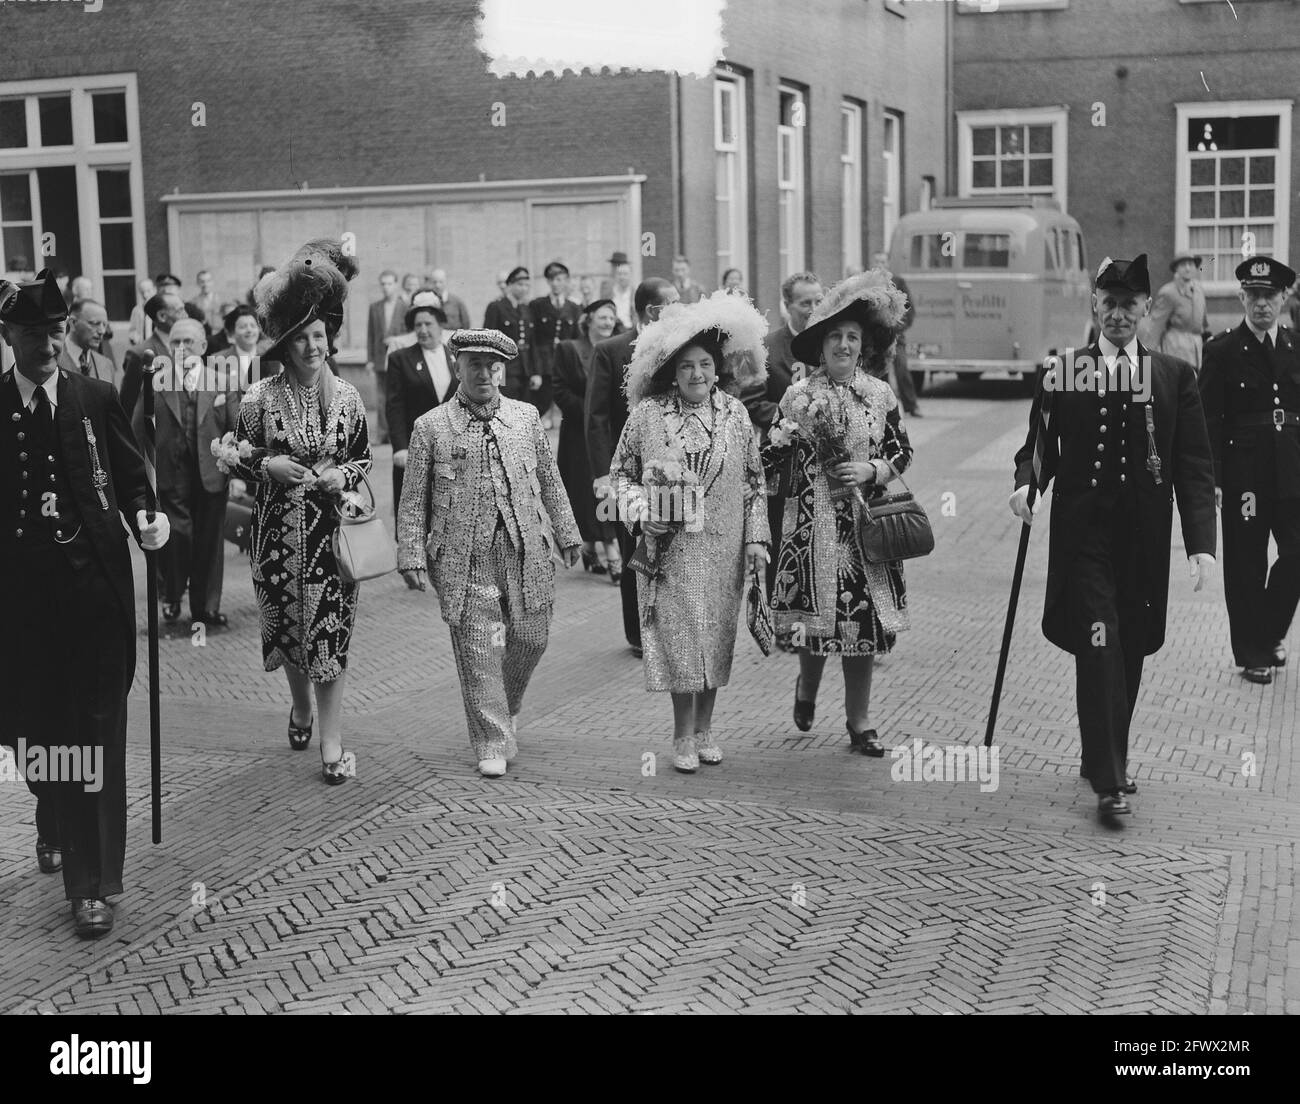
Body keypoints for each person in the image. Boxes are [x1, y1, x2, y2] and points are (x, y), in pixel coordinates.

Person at [1009, 254, 1217, 817]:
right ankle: (1110, 780)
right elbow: (1038, 446)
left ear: (1146, 309)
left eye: (1130, 305)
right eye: (1110, 304)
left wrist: (1201, 543)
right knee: (1098, 642)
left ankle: (1102, 752)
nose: (1119, 315)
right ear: (1095, 306)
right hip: (1084, 538)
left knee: (1129, 646)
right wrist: (1028, 485)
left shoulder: (1174, 376)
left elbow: (1193, 464)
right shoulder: (1063, 372)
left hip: (1143, 539)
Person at [0, 269, 170, 937]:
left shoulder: (94, 396)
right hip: (22, 607)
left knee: (94, 735)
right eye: (32, 333)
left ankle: (91, 885)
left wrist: (147, 516)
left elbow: (133, 479)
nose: (46, 343)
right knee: (37, 736)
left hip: (95, 592)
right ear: (9, 336)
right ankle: (48, 806)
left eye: (53, 330)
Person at [397, 329, 581, 778]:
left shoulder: (526, 417)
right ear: (457, 366)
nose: (483, 373)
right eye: (473, 364)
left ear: (502, 369)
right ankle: (492, 739)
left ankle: (507, 704)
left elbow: (551, 480)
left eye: (491, 365)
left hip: (526, 550)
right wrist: (411, 555)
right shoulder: (431, 426)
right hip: (462, 556)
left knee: (531, 637)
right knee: (479, 648)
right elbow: (413, 497)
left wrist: (568, 532)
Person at [611, 292, 770, 772]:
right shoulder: (647, 415)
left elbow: (755, 483)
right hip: (670, 551)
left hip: (724, 546)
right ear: (672, 373)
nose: (697, 375)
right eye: (686, 367)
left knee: (716, 637)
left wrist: (757, 539)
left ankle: (705, 730)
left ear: (717, 369)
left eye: (704, 365)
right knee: (680, 637)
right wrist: (641, 512)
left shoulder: (736, 415)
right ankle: (681, 735)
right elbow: (618, 476)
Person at [233, 239, 372, 785]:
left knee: (331, 636)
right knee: (289, 634)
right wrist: (268, 468)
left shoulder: (351, 398)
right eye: (303, 339)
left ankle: (332, 742)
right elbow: (237, 460)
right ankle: (300, 707)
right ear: (286, 345)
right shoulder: (258, 400)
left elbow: (362, 459)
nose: (314, 347)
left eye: (321, 337)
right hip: (273, 542)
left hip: (331, 543)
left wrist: (344, 475)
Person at [763, 271, 914, 759]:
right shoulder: (800, 396)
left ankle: (860, 721)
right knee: (816, 623)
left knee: (862, 628)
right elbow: (771, 457)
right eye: (835, 337)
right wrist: (780, 444)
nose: (844, 345)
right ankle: (807, 688)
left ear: (862, 346)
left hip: (866, 528)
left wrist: (873, 468)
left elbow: (902, 450)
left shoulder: (880, 394)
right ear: (821, 346)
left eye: (852, 337)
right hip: (813, 528)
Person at [1198, 256, 1300, 685]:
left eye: (1270, 296)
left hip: (1292, 469)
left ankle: (1269, 632)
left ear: (1284, 298)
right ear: (1241, 297)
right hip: (1244, 476)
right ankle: (1252, 653)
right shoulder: (1221, 350)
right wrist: (1214, 479)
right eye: (1254, 296)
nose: (1262, 305)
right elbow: (1208, 419)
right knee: (1245, 564)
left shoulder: (1297, 345)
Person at [586, 277, 681, 655]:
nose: (682, 307)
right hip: (624, 470)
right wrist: (603, 474)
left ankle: (670, 624)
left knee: (671, 541)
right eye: (674, 303)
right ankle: (638, 634)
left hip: (670, 467)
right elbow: (595, 417)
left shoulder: (678, 345)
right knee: (632, 548)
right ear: (653, 311)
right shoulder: (611, 351)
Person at [146, 318, 240, 628]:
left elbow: (235, 428)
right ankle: (172, 594)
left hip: (212, 473)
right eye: (175, 342)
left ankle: (205, 608)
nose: (181, 348)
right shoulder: (156, 380)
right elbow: (138, 430)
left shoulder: (222, 380)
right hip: (172, 474)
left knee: (210, 542)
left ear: (202, 346)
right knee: (178, 536)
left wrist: (235, 466)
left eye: (188, 342)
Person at [742, 271, 822, 594]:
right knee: (780, 533)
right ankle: (781, 618)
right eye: (805, 302)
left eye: (819, 300)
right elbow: (750, 402)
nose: (813, 308)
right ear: (787, 305)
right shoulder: (766, 348)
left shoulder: (830, 343)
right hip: (782, 462)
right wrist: (790, 419)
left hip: (823, 463)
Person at [553, 298, 621, 577]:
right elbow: (558, 388)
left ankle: (597, 547)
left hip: (607, 433)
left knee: (607, 488)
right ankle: (607, 549)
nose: (607, 323)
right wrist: (590, 410)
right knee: (585, 493)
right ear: (589, 319)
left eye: (611, 318)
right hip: (578, 435)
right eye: (602, 317)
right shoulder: (570, 350)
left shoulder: (616, 349)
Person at [386, 290, 454, 508]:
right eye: (418, 326)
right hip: (415, 448)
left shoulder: (457, 357)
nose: (423, 330)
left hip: (453, 448)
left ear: (440, 325)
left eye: (428, 324)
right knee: (416, 509)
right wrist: (399, 447)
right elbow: (394, 406)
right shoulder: (401, 359)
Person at [119, 287, 187, 422]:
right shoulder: (140, 354)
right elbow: (128, 405)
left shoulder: (190, 347)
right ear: (162, 316)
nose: (186, 315)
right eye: (180, 311)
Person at [529, 261, 581, 420]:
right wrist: (536, 370)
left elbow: (576, 340)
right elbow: (534, 340)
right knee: (541, 403)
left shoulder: (574, 308)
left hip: (565, 363)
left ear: (566, 281)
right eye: (552, 280)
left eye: (559, 279)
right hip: (544, 364)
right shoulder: (537, 305)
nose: (555, 284)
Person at [872, 251, 922, 417]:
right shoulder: (869, 284)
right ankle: (885, 409)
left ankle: (911, 406)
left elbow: (910, 310)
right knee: (880, 372)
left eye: (883, 262)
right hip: (877, 338)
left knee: (902, 369)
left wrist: (898, 327)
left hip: (896, 336)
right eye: (877, 262)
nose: (880, 265)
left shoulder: (898, 282)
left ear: (888, 264)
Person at [1140, 254, 1210, 372]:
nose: (1187, 268)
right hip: (1176, 348)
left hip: (1197, 349)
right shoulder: (1168, 292)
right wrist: (1145, 359)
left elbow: (1203, 322)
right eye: (1183, 265)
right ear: (1176, 269)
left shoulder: (1198, 289)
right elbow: (1156, 326)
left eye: (1191, 264)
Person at [366, 269, 406, 445]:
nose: (386, 287)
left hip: (398, 358)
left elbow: (409, 334)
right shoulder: (375, 308)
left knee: (396, 397)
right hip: (380, 359)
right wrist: (370, 360)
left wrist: (395, 339)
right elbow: (371, 335)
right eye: (383, 284)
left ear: (395, 285)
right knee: (381, 398)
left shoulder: (405, 307)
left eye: (389, 283)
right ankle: (382, 433)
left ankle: (395, 432)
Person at [483, 266, 533, 401]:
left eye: (527, 285)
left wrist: (533, 372)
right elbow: (490, 343)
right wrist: (496, 376)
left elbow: (530, 341)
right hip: (505, 369)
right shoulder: (496, 307)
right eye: (520, 284)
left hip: (524, 370)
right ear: (510, 285)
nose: (524, 289)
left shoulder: (525, 309)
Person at [60, 298, 118, 391]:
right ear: (73, 323)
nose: (102, 331)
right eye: (95, 323)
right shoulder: (53, 361)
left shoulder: (107, 365)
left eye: (104, 325)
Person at [600, 252, 634, 328]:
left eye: (625, 274)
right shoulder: (607, 288)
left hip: (629, 328)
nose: (622, 277)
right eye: (620, 273)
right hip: (612, 328)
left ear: (630, 275)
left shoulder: (634, 292)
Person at [189, 269, 223, 340]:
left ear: (212, 282)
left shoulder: (221, 300)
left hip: (218, 337)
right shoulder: (193, 302)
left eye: (208, 281)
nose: (205, 284)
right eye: (202, 282)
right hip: (201, 338)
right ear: (197, 283)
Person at [127, 276, 156, 347]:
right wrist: (134, 337)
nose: (145, 295)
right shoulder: (137, 310)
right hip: (142, 347)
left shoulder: (161, 308)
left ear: (155, 290)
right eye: (142, 292)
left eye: (148, 291)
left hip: (157, 348)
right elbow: (132, 330)